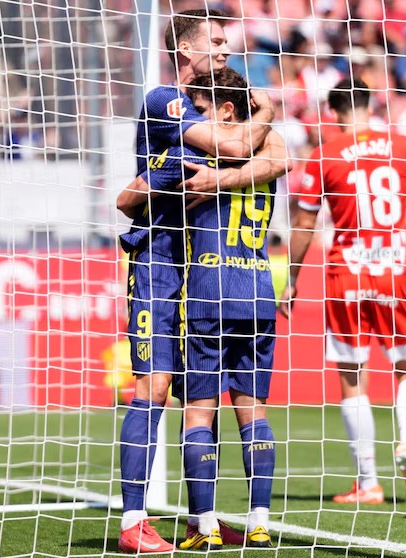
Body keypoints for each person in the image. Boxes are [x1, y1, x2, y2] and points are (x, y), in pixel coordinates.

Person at [114, 7, 286, 554]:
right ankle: (133, 521)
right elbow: (238, 149)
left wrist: (226, 177)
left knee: (198, 395)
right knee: (154, 387)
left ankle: (200, 521)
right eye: (214, 41)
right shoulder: (166, 101)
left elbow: (278, 157)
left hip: (201, 274)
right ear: (185, 49)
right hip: (160, 265)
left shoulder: (218, 111)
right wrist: (266, 112)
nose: (225, 49)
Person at [281, 78, 406, 505]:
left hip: (346, 272)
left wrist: (292, 279)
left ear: (332, 112)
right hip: (393, 268)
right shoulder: (403, 145)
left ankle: (368, 482)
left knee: (352, 375)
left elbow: (305, 224)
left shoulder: (323, 155)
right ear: (371, 104)